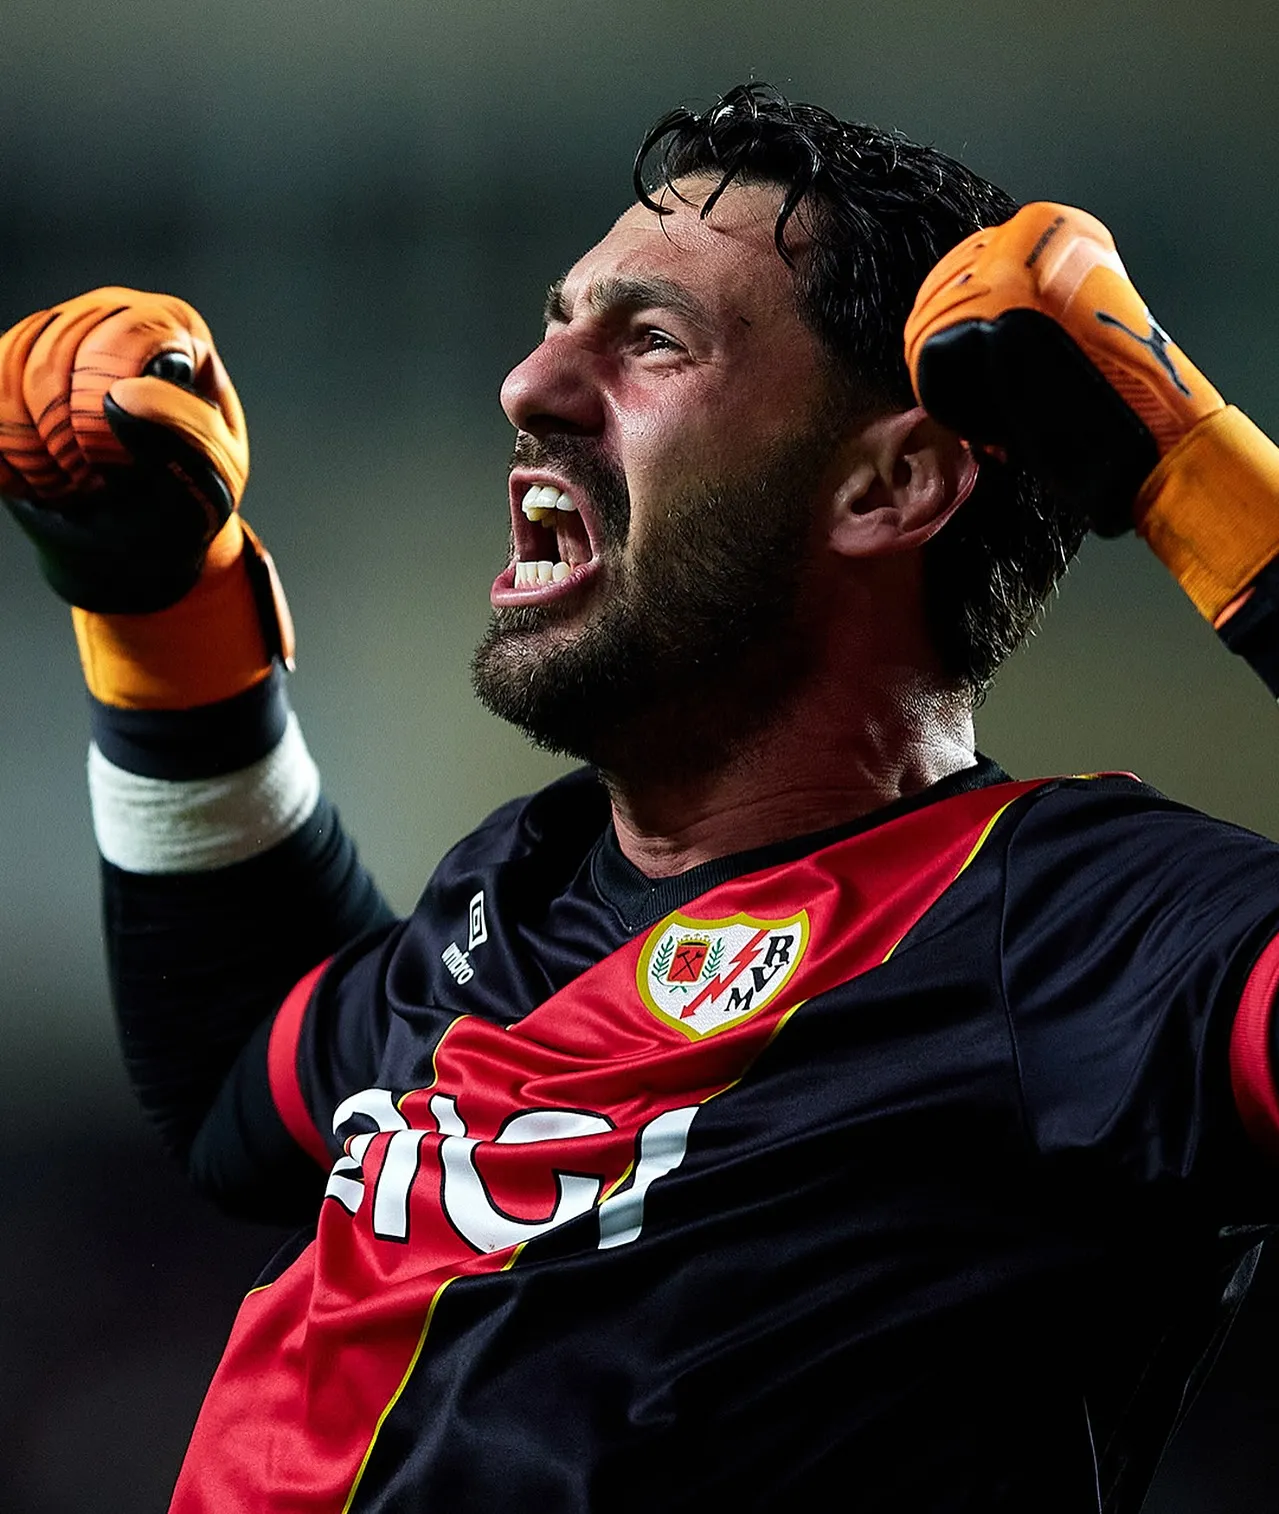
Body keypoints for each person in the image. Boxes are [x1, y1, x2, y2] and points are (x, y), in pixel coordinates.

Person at [2, 82, 1277, 1513]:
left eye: (652, 341)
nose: (527, 385)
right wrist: (163, 611)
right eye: (557, 323)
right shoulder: (518, 887)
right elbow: (242, 1069)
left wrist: (1192, 468)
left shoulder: (1081, 928)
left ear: (892, 485)